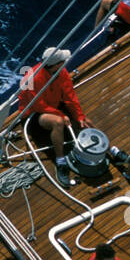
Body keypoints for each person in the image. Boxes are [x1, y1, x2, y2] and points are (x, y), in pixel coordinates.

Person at [18, 46, 93, 186]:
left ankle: (111, 150)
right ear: (55, 65)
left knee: (86, 121)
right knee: (58, 122)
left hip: (53, 106)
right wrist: (61, 115)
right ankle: (60, 161)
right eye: (63, 61)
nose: (65, 63)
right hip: (34, 115)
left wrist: (80, 116)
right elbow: (38, 106)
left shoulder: (61, 72)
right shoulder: (31, 78)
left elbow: (70, 97)